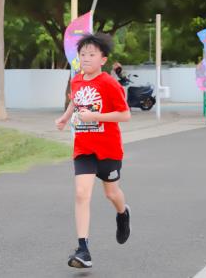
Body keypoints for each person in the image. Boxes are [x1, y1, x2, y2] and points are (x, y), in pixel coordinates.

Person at [55, 33, 132, 269]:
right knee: (81, 193)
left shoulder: (109, 83)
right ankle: (83, 250)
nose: (86, 58)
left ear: (103, 60)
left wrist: (95, 116)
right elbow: (75, 101)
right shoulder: (77, 80)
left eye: (91, 55)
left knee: (111, 194)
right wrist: (65, 118)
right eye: (82, 54)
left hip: (108, 150)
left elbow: (125, 115)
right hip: (84, 148)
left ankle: (123, 213)